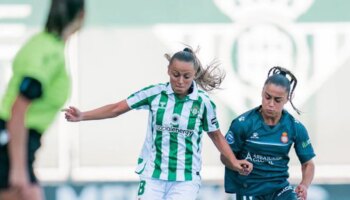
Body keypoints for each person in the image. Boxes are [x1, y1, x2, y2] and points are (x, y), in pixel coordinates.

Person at [63, 47, 253, 200]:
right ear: (168, 71)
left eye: (186, 76)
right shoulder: (154, 94)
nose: (180, 81)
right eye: (175, 74)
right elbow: (117, 108)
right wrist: (82, 116)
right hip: (153, 176)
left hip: (185, 179)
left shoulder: (203, 103)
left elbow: (216, 136)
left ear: (194, 75)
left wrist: (234, 162)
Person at [0, 0, 85, 199]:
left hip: (17, 141)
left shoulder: (42, 44)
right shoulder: (49, 52)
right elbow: (18, 108)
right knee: (28, 194)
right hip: (11, 140)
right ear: (81, 16)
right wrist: (19, 168)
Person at [222, 66, 316, 200]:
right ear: (262, 92)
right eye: (267, 97)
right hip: (250, 189)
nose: (271, 104)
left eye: (277, 100)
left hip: (280, 189)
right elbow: (225, 156)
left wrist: (305, 185)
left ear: (287, 99)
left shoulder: (295, 127)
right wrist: (236, 165)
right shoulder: (243, 124)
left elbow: (308, 164)